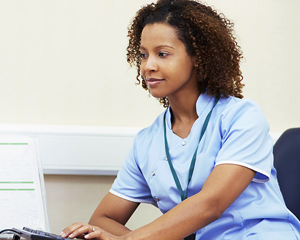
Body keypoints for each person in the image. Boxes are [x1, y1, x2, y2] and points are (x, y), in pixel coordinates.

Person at [61, 0, 300, 239]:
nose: (148, 66)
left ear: (198, 57)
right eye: (143, 55)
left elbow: (210, 205)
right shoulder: (148, 141)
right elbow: (103, 219)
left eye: (162, 54)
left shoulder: (242, 117)